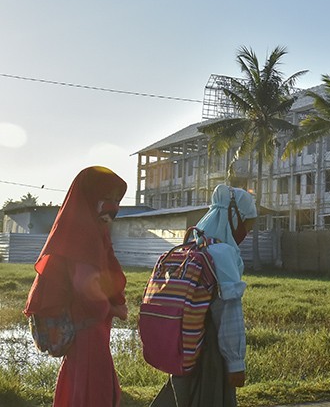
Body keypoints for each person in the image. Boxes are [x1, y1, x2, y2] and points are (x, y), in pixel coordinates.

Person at [23, 166, 129, 407]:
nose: (113, 206)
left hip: (88, 331)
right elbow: (87, 290)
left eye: (116, 199)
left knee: (80, 390)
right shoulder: (83, 235)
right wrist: (114, 309)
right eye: (107, 198)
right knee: (93, 394)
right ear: (91, 197)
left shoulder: (91, 230)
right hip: (87, 331)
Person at [151, 184, 257, 407]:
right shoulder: (223, 254)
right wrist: (236, 363)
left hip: (185, 346)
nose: (246, 233)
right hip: (211, 351)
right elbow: (229, 315)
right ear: (234, 219)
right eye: (247, 224)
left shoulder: (192, 247)